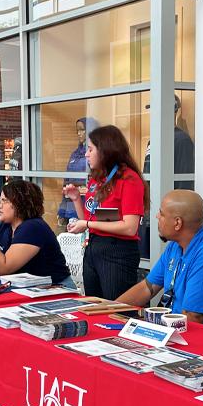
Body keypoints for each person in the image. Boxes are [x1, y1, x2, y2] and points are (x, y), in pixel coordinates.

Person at [117, 190, 203, 332]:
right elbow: (147, 288)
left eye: (161, 213)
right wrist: (111, 309)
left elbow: (193, 317)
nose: (156, 216)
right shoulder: (175, 245)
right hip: (178, 329)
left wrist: (150, 332)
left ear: (177, 223)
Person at [62, 125, 145, 299]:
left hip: (117, 250)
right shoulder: (98, 179)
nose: (86, 154)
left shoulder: (129, 179)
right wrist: (77, 199)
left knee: (115, 309)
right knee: (93, 305)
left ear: (105, 150)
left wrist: (86, 224)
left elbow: (130, 227)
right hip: (94, 246)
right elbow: (89, 219)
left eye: (90, 149)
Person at [57, 117, 98, 229]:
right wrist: (63, 208)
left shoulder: (94, 154)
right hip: (71, 201)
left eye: (82, 129)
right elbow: (67, 180)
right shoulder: (75, 154)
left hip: (87, 202)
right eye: (77, 130)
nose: (79, 133)